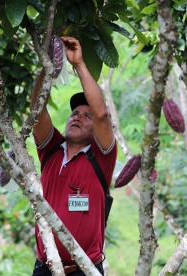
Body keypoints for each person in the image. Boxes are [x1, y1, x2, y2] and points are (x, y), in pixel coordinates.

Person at [30, 37, 117, 276]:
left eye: (85, 116)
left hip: (85, 270)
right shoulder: (51, 150)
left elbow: (101, 115)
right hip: (44, 268)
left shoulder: (101, 157)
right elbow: (36, 108)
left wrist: (78, 64)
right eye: (74, 113)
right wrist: (48, 65)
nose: (77, 117)